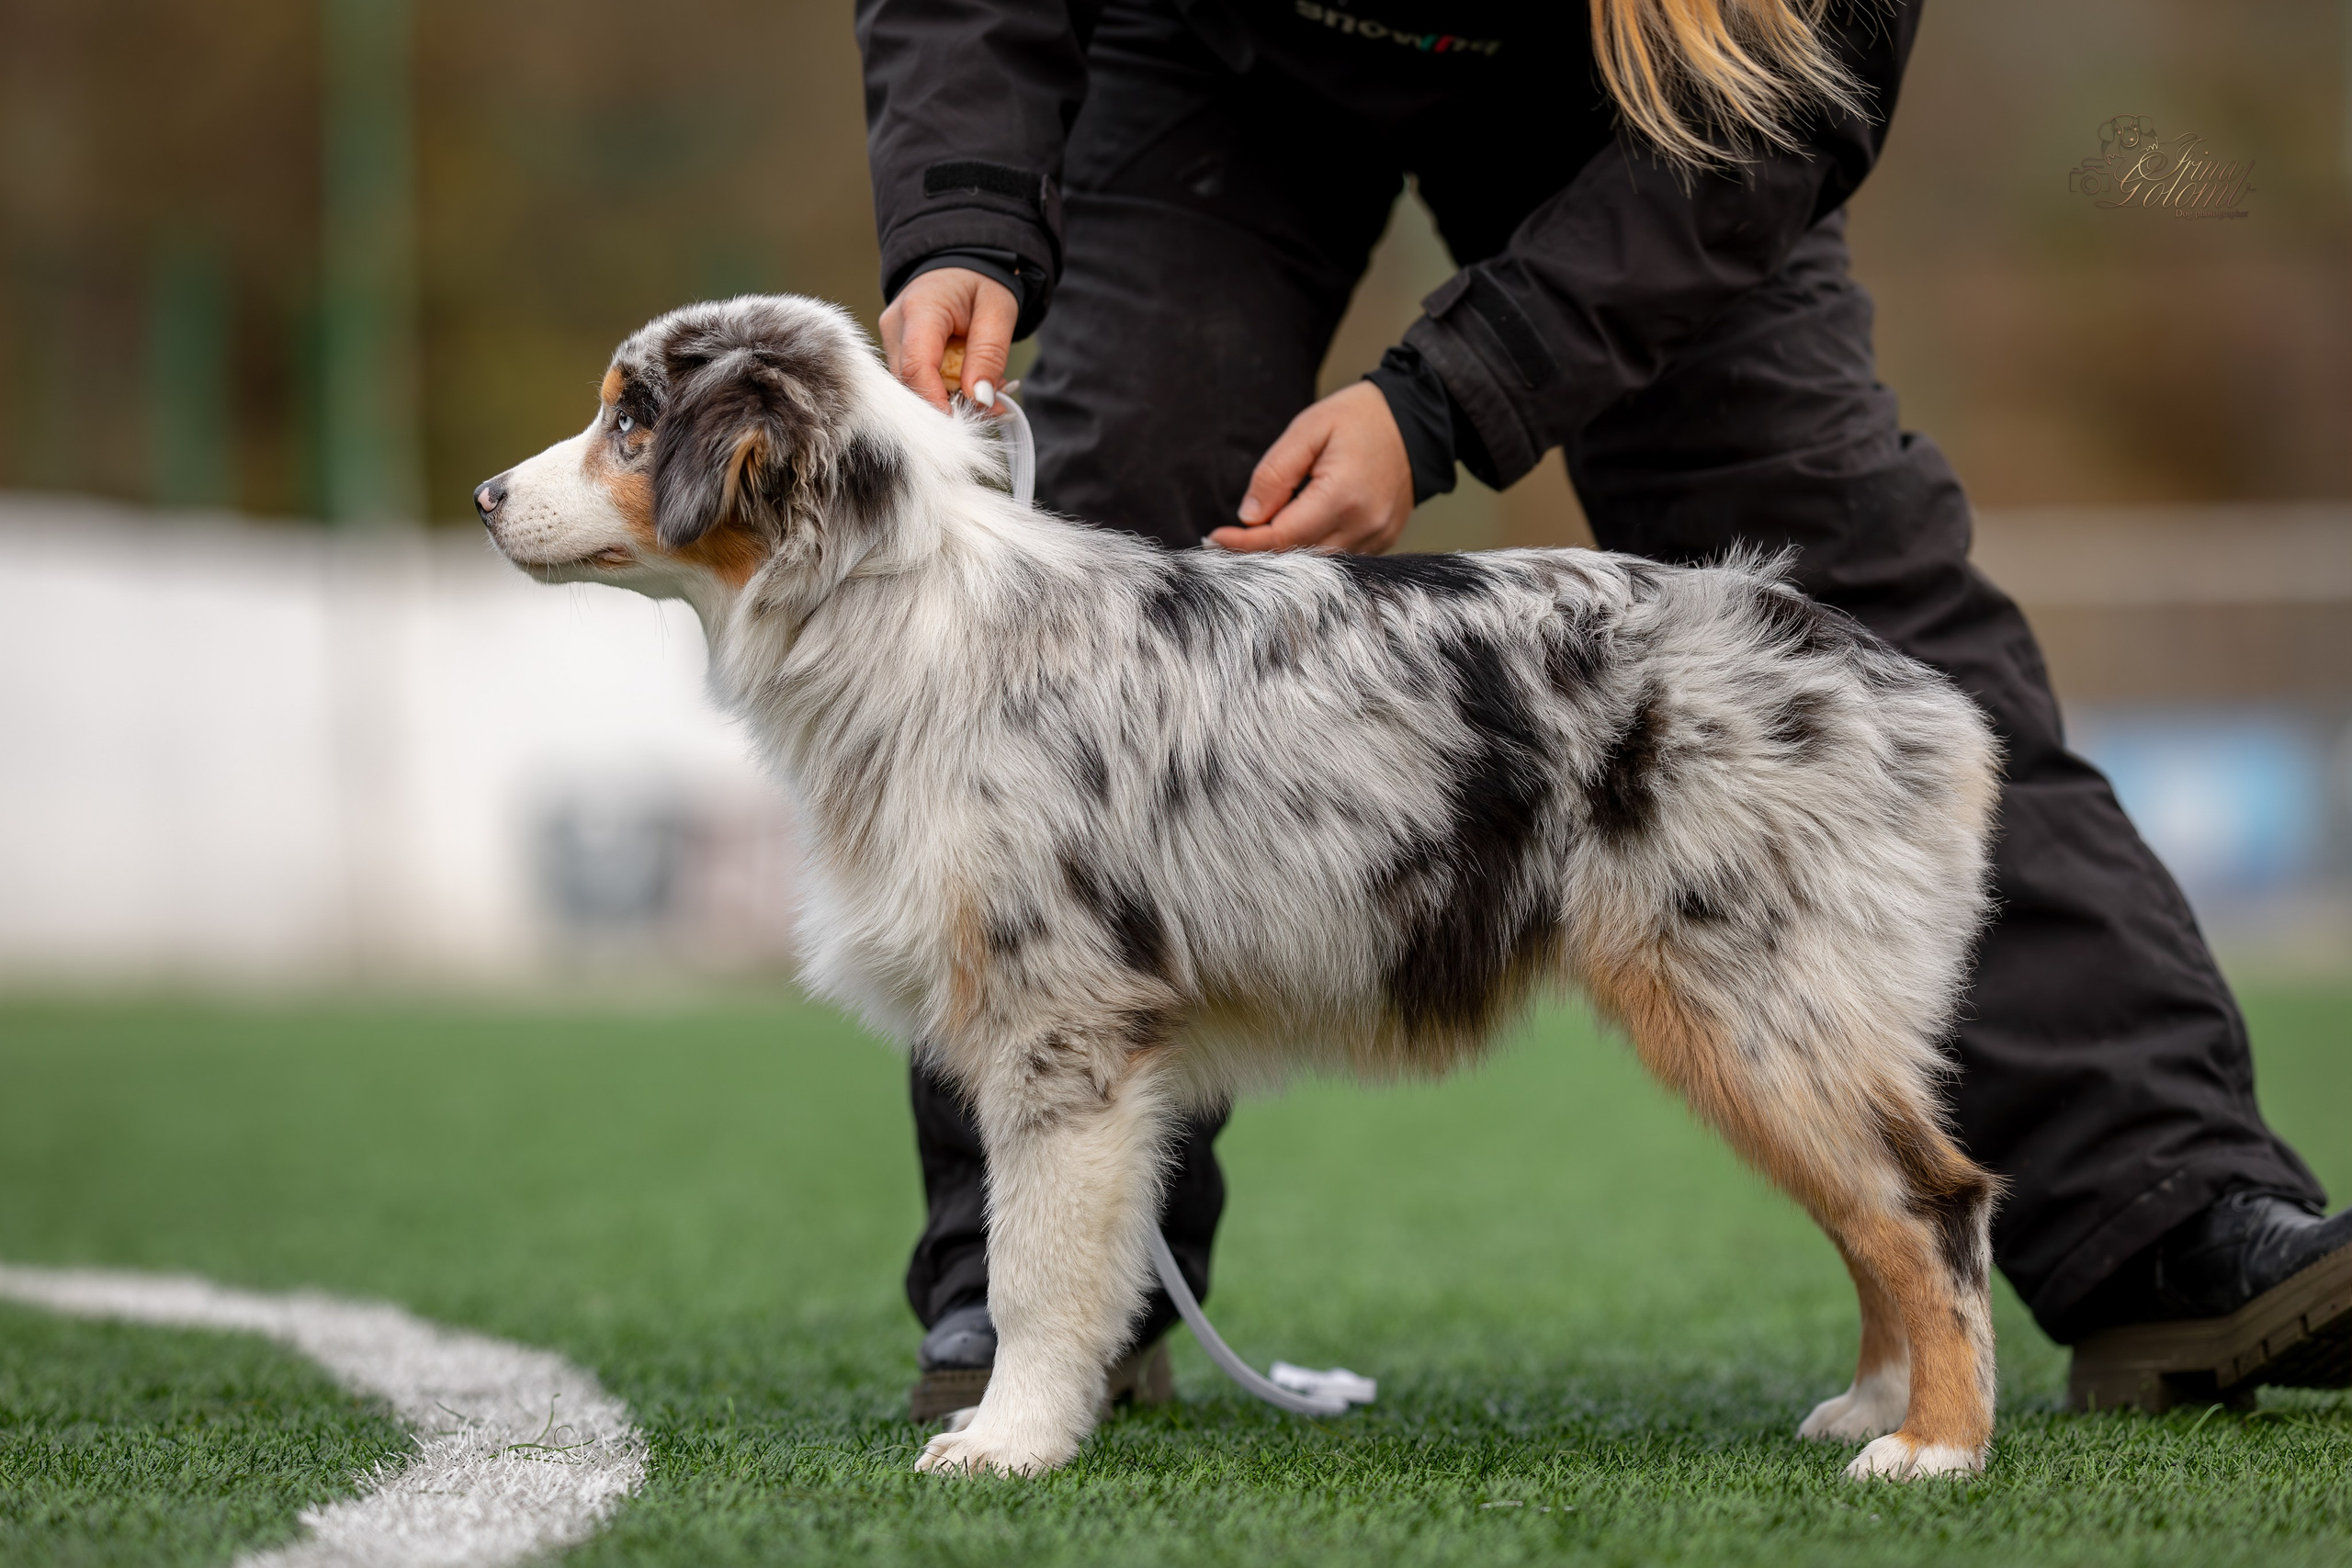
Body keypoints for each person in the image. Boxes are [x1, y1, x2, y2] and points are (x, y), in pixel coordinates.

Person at [854, 0, 2352, 1422]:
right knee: (1107, 528)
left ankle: (2162, 1203)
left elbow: (1783, 112)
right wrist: (962, 212)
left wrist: (1440, 403)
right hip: (1214, 58)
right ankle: (1038, 1294)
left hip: (1660, 96)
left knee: (1850, 600)